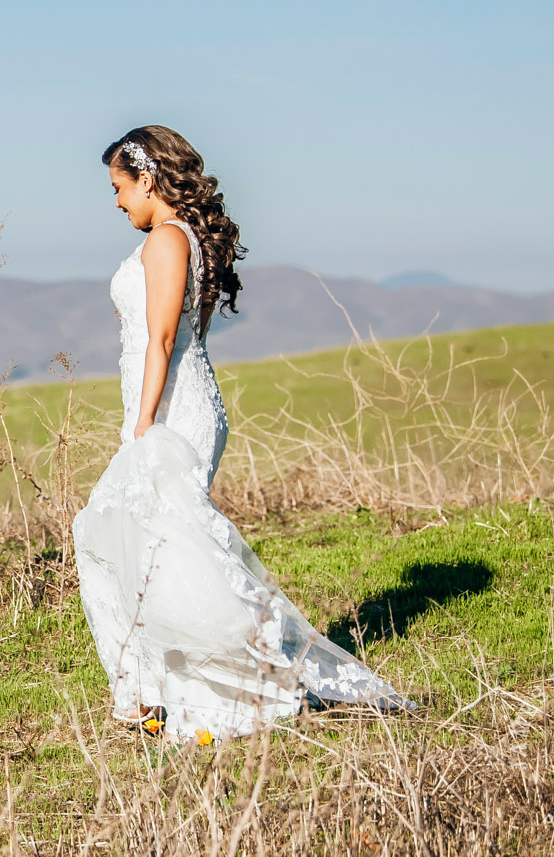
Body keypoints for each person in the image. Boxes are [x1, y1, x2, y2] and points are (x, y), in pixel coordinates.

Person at [72, 125, 415, 741]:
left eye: (119, 187)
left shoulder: (167, 242)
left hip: (172, 411)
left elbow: (165, 339)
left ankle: (238, 683)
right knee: (143, 543)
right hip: (172, 403)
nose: (116, 201)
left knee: (144, 542)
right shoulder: (181, 238)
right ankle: (157, 692)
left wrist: (144, 422)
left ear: (147, 180)